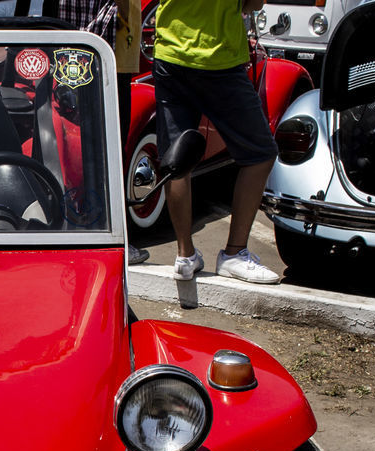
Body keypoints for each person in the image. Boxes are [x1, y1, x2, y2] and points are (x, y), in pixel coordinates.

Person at [153, 0, 280, 284]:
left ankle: (185, 255)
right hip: (216, 56)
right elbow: (253, 3)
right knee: (261, 154)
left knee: (177, 160)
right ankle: (234, 252)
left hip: (170, 53)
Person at [57, 0, 149, 265]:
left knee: (97, 148)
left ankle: (89, 228)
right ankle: (98, 232)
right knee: (101, 151)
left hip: (99, 52)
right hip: (96, 55)